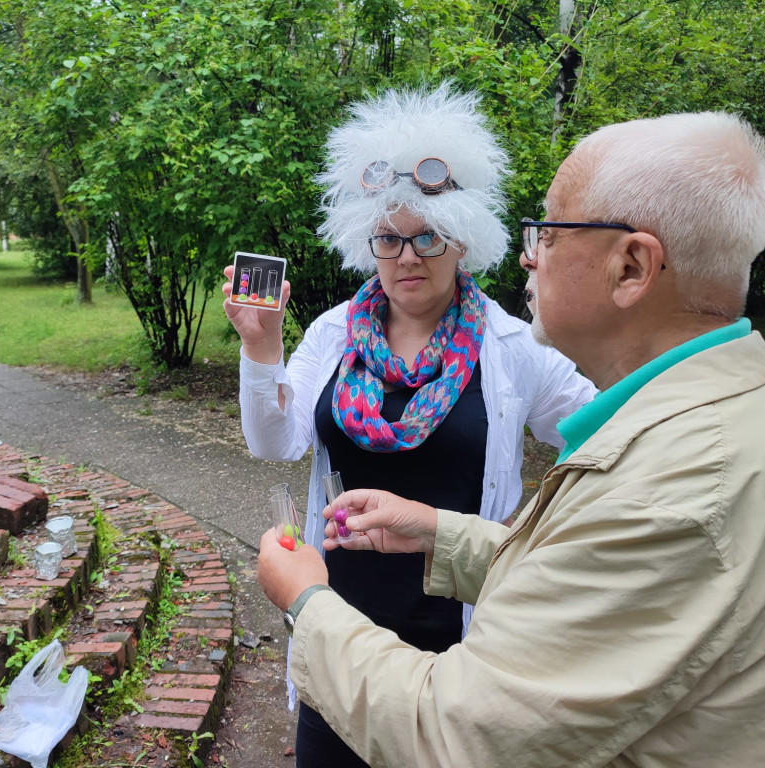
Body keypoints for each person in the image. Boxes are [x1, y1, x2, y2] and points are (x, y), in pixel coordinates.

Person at [256, 110, 765, 768]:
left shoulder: (681, 484)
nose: (529, 254)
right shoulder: (716, 421)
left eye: (549, 232)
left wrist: (306, 599)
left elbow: (457, 734)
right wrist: (442, 534)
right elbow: (592, 574)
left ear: (633, 266)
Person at [222, 83, 596, 766]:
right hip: (337, 626)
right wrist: (259, 347)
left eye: (428, 237)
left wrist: (533, 537)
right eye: (389, 239)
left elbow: (605, 441)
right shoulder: (335, 333)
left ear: (464, 242)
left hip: (460, 645)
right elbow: (274, 442)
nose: (407, 257)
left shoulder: (511, 349)